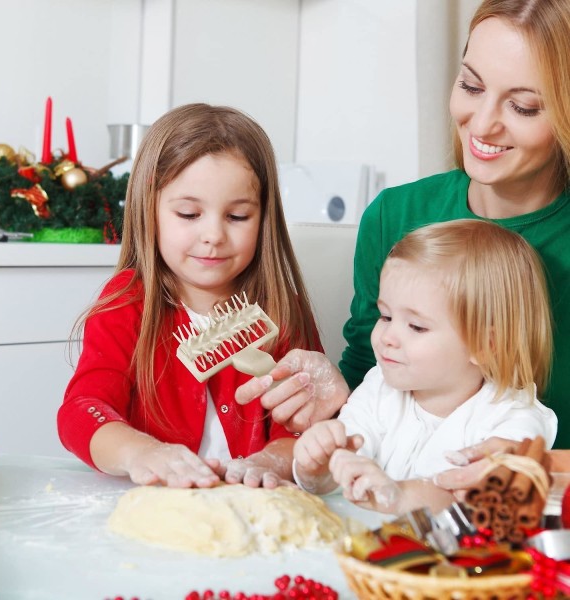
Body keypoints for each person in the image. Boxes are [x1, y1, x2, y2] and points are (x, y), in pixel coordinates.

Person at [235, 0, 570, 455]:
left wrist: (524, 470)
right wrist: (336, 402)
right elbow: (366, 371)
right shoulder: (395, 215)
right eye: (470, 86)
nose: (483, 123)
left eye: (523, 106)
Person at [57, 103, 322, 489]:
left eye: (237, 217)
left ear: (263, 217)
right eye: (188, 214)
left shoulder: (283, 310)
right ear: (151, 210)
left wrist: (271, 461)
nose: (213, 235)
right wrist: (141, 453)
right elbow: (82, 412)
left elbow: (305, 431)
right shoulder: (129, 303)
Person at [292, 220, 557, 514]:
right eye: (385, 316)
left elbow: (475, 501)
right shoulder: (380, 386)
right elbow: (344, 470)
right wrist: (317, 468)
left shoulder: (513, 419)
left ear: (486, 345)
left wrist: (400, 495)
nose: (387, 338)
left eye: (416, 326)